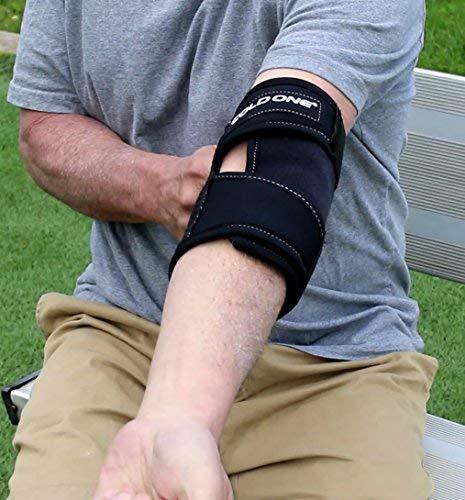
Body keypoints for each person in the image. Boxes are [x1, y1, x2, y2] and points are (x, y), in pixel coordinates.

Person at [6, 0, 438, 498]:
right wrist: (160, 187)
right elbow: (45, 127)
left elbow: (277, 158)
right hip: (124, 330)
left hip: (335, 359)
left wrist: (174, 420)